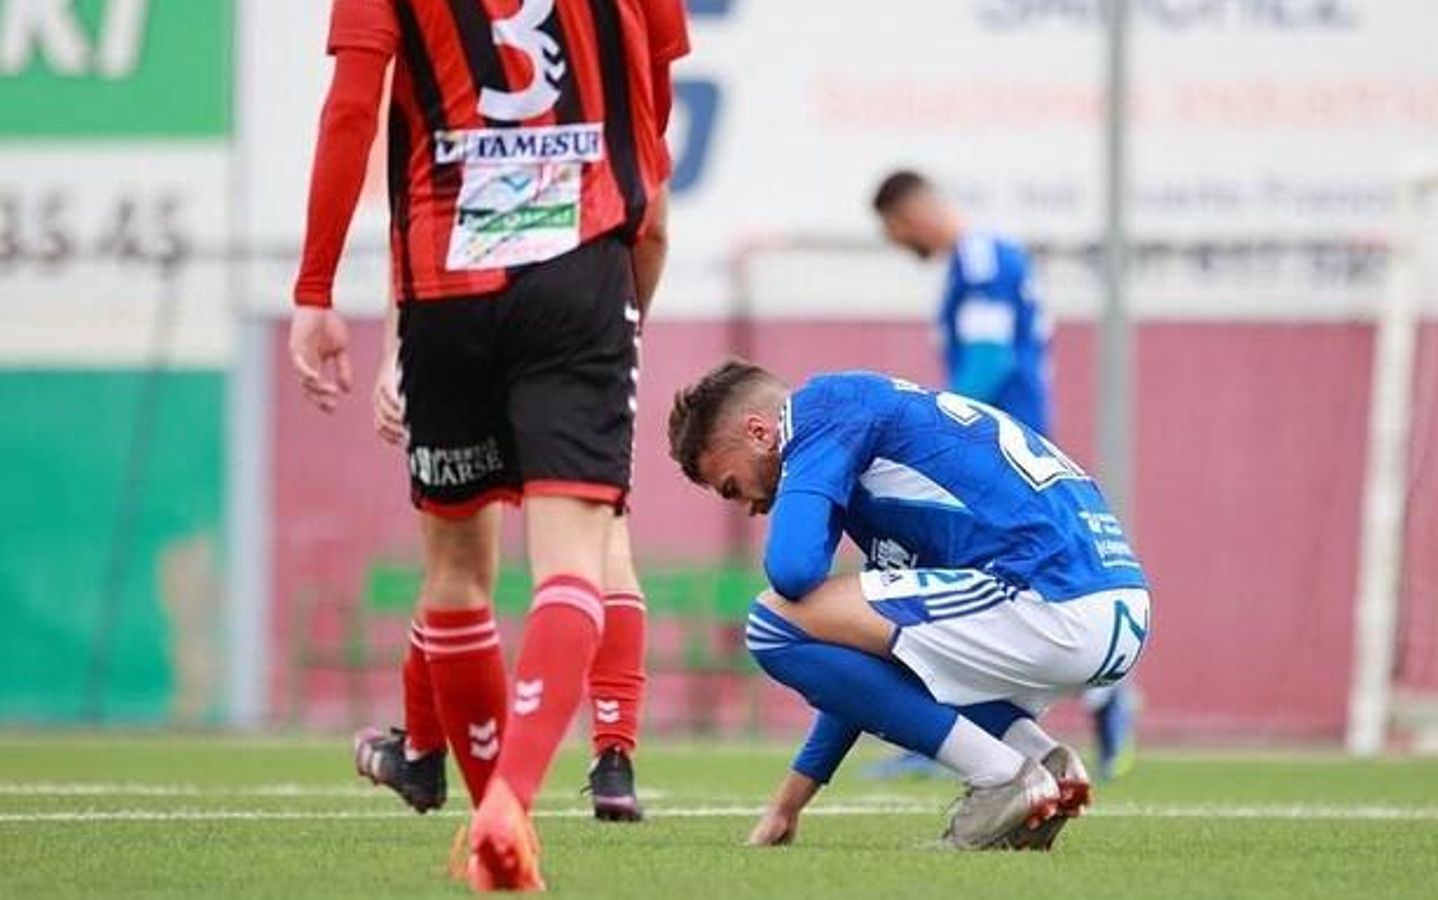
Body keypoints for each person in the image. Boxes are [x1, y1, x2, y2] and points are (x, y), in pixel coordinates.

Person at [289, 0, 688, 890]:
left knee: (458, 579)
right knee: (576, 567)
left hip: (445, 286)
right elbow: (649, 130)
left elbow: (351, 112)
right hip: (578, 277)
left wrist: (316, 289)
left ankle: (486, 818)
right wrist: (629, 293)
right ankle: (514, 797)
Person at [666, 362, 1152, 850]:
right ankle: (1041, 763)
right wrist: (789, 802)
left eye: (733, 486)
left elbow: (793, 570)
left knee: (771, 622)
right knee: (882, 640)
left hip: (1053, 596)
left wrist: (808, 498)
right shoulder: (883, 448)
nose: (751, 505)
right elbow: (859, 677)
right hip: (1112, 606)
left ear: (758, 432)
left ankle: (1002, 777)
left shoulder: (820, 409)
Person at [872, 169, 1138, 781]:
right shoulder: (979, 260)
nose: (900, 245)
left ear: (908, 217)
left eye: (894, 233)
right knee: (968, 583)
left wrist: (931, 429)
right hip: (1008, 456)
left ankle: (1103, 699)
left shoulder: (982, 259)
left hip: (998, 462)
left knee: (961, 581)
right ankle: (947, 726)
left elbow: (990, 360)